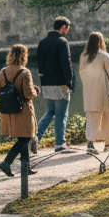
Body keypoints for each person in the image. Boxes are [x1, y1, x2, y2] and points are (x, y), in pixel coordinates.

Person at [0, 44, 39, 177]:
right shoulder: (25, 72)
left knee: (22, 137)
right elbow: (28, 94)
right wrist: (36, 91)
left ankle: (26, 168)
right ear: (24, 56)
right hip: (23, 110)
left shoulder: (3, 71)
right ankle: (6, 162)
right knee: (27, 137)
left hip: (9, 110)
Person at [36, 16, 75, 152]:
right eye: (67, 29)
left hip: (46, 83)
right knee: (61, 114)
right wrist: (70, 83)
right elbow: (66, 64)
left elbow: (40, 63)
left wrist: (43, 81)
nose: (67, 31)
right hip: (60, 84)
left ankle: (35, 137)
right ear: (63, 27)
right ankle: (60, 144)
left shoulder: (42, 42)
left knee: (51, 111)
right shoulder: (62, 42)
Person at [79, 31, 109, 151]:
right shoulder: (103, 55)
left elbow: (82, 74)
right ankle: (107, 143)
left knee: (92, 118)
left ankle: (90, 143)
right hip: (103, 92)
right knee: (108, 116)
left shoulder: (84, 56)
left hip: (89, 92)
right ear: (101, 41)